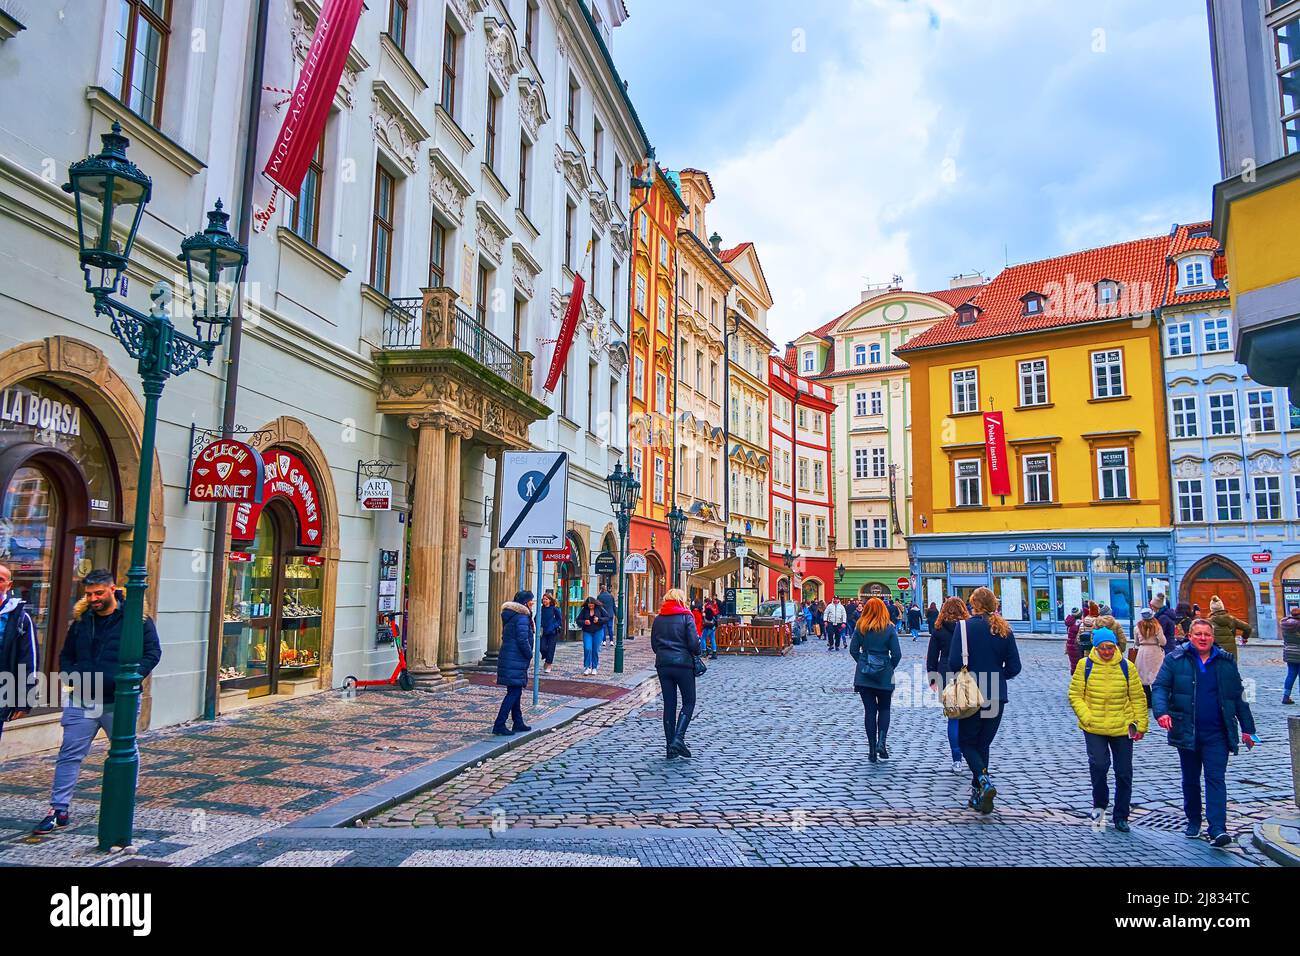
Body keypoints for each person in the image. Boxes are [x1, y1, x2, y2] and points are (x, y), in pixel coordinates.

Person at [36, 569, 162, 834]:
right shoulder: (82, 620)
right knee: (69, 753)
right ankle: (58, 809)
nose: (93, 598)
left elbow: (153, 651)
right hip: (82, 698)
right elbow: (66, 654)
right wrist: (72, 677)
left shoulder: (135, 619)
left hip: (120, 700)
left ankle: (123, 802)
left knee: (125, 750)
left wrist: (130, 678)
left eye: (98, 593)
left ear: (112, 589)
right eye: (89, 594)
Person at [1152, 618, 1258, 847]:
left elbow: (1238, 696)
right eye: (1198, 634)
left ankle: (1217, 828)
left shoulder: (1225, 662)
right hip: (1187, 730)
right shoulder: (1175, 659)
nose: (1202, 638)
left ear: (1212, 637)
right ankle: (1193, 820)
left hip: (1217, 733)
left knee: (1215, 778)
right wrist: (1161, 712)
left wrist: (1249, 730)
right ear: (1190, 636)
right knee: (1190, 779)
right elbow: (1160, 686)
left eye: (1206, 635)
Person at [945, 586, 1021, 815]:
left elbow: (953, 663)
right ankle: (978, 794)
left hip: (972, 695)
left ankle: (984, 781)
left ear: (974, 604)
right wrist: (997, 677)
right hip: (996, 695)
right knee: (982, 744)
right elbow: (1015, 667)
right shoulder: (1005, 629)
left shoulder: (964, 627)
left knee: (967, 742)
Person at [1068, 626, 1148, 832]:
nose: (1107, 652)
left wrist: (1141, 724)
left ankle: (1121, 815)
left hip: (1122, 725)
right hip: (1094, 726)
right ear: (1096, 647)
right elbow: (1075, 695)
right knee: (1099, 766)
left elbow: (1138, 697)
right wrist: (1087, 717)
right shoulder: (1085, 665)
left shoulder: (1126, 666)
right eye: (1103, 648)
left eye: (1110, 647)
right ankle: (1100, 807)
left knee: (1123, 772)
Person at [850, 597, 902, 763]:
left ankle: (872, 749)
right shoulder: (889, 628)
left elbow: (853, 650)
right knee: (885, 709)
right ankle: (882, 742)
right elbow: (897, 654)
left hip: (864, 676)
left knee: (870, 711)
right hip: (884, 675)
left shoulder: (861, 627)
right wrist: (887, 667)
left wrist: (864, 662)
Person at [651, 588, 701, 759]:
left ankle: (670, 748)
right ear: (681, 599)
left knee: (669, 704)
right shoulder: (687, 617)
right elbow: (694, 644)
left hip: (663, 665)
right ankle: (678, 738)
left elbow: (654, 645)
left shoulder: (658, 619)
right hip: (683, 665)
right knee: (689, 701)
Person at [928, 596, 970, 773]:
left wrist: (932, 679)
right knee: (969, 717)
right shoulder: (968, 628)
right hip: (967, 671)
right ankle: (971, 754)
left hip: (945, 672)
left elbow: (932, 656)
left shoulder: (938, 629)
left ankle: (956, 758)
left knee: (953, 717)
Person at [0, 564, 38, 741]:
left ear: (9, 585)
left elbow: (28, 660)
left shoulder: (20, 618)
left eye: (1, 579)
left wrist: (24, 699)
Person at [493, 590, 535, 736]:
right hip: (516, 658)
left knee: (515, 691)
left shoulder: (512, 616)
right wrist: (529, 654)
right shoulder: (522, 617)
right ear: (525, 602)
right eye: (531, 600)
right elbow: (522, 639)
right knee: (514, 692)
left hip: (511, 657)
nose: (533, 603)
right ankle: (499, 724)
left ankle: (518, 722)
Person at [1134, 608, 1166, 708]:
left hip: (1143, 651)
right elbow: (1163, 642)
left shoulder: (1137, 627)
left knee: (1143, 676)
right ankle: (1156, 699)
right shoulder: (1157, 627)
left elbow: (1136, 642)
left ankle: (1147, 700)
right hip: (1155, 651)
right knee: (1156, 675)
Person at [577, 596, 607, 676]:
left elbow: (607, 618)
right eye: (589, 604)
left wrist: (599, 620)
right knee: (587, 648)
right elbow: (578, 620)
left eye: (592, 604)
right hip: (587, 632)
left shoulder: (599, 609)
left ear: (594, 603)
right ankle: (587, 667)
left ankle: (594, 667)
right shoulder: (585, 610)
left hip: (598, 631)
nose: (590, 606)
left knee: (595, 650)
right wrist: (584, 622)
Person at [539, 592, 563, 674]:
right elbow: (536, 618)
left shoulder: (554, 609)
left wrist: (553, 625)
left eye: (546, 599)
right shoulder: (541, 609)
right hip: (543, 632)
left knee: (551, 649)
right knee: (542, 647)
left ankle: (548, 664)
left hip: (552, 632)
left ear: (550, 600)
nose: (544, 600)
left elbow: (559, 620)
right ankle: (546, 658)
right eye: (543, 599)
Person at [1282, 605, 1300, 705]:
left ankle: (1286, 696)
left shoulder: (1285, 623)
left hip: (1289, 652)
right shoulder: (1298, 624)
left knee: (1291, 674)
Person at [597, 584, 617, 648]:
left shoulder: (599, 596)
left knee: (603, 628)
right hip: (610, 614)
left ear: (601, 589)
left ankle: (604, 641)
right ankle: (611, 641)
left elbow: (598, 606)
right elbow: (614, 606)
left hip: (603, 615)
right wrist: (616, 614)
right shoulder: (611, 596)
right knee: (610, 628)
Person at [1065, 608, 1082, 673]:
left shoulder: (1070, 622)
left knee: (1073, 663)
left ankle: (1074, 674)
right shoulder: (1079, 623)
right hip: (1076, 645)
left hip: (1069, 646)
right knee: (1078, 663)